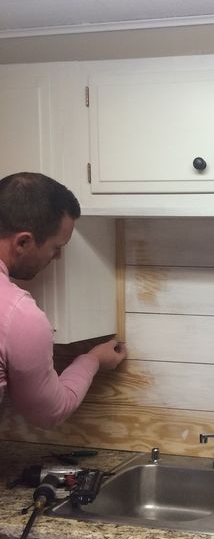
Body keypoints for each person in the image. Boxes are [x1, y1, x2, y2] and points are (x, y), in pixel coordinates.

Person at [0, 171, 126, 428]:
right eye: (56, 248)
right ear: (23, 242)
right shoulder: (19, 316)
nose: (56, 258)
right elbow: (49, 413)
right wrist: (92, 360)